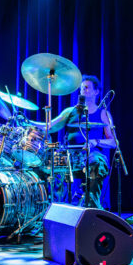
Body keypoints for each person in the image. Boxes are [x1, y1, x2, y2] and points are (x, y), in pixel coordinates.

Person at [46, 75, 116, 209]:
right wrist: (27, 123)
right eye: (82, 87)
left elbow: (113, 142)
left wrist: (95, 141)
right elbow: (49, 126)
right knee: (49, 163)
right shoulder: (70, 112)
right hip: (70, 155)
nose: (83, 90)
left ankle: (92, 207)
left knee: (95, 163)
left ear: (97, 92)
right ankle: (56, 208)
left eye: (87, 87)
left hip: (93, 155)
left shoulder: (102, 113)